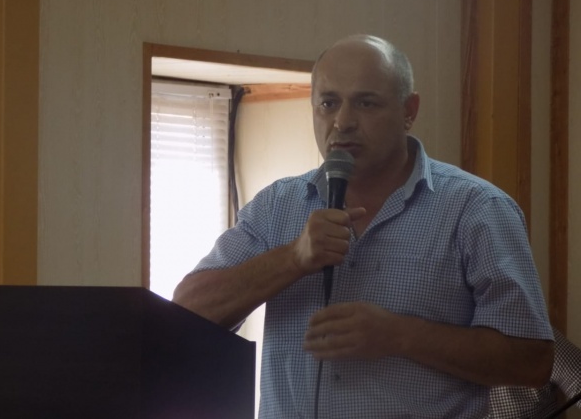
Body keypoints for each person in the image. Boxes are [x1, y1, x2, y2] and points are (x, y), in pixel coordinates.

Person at [173, 34, 554, 418]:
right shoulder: (277, 206)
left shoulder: (477, 209)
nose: (342, 122)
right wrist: (292, 258)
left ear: (409, 111)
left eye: (366, 103)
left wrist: (400, 335)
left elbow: (533, 362)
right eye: (328, 103)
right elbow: (186, 314)